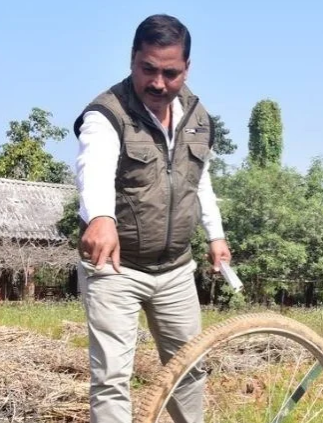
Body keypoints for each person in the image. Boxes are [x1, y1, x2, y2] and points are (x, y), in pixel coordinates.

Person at [73, 14, 231, 423]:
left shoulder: (197, 117)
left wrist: (215, 235)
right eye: (148, 69)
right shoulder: (106, 114)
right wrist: (101, 218)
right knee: (111, 380)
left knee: (189, 370)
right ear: (132, 60)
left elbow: (200, 180)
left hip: (177, 269)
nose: (158, 83)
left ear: (186, 68)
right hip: (116, 268)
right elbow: (95, 169)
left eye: (170, 72)